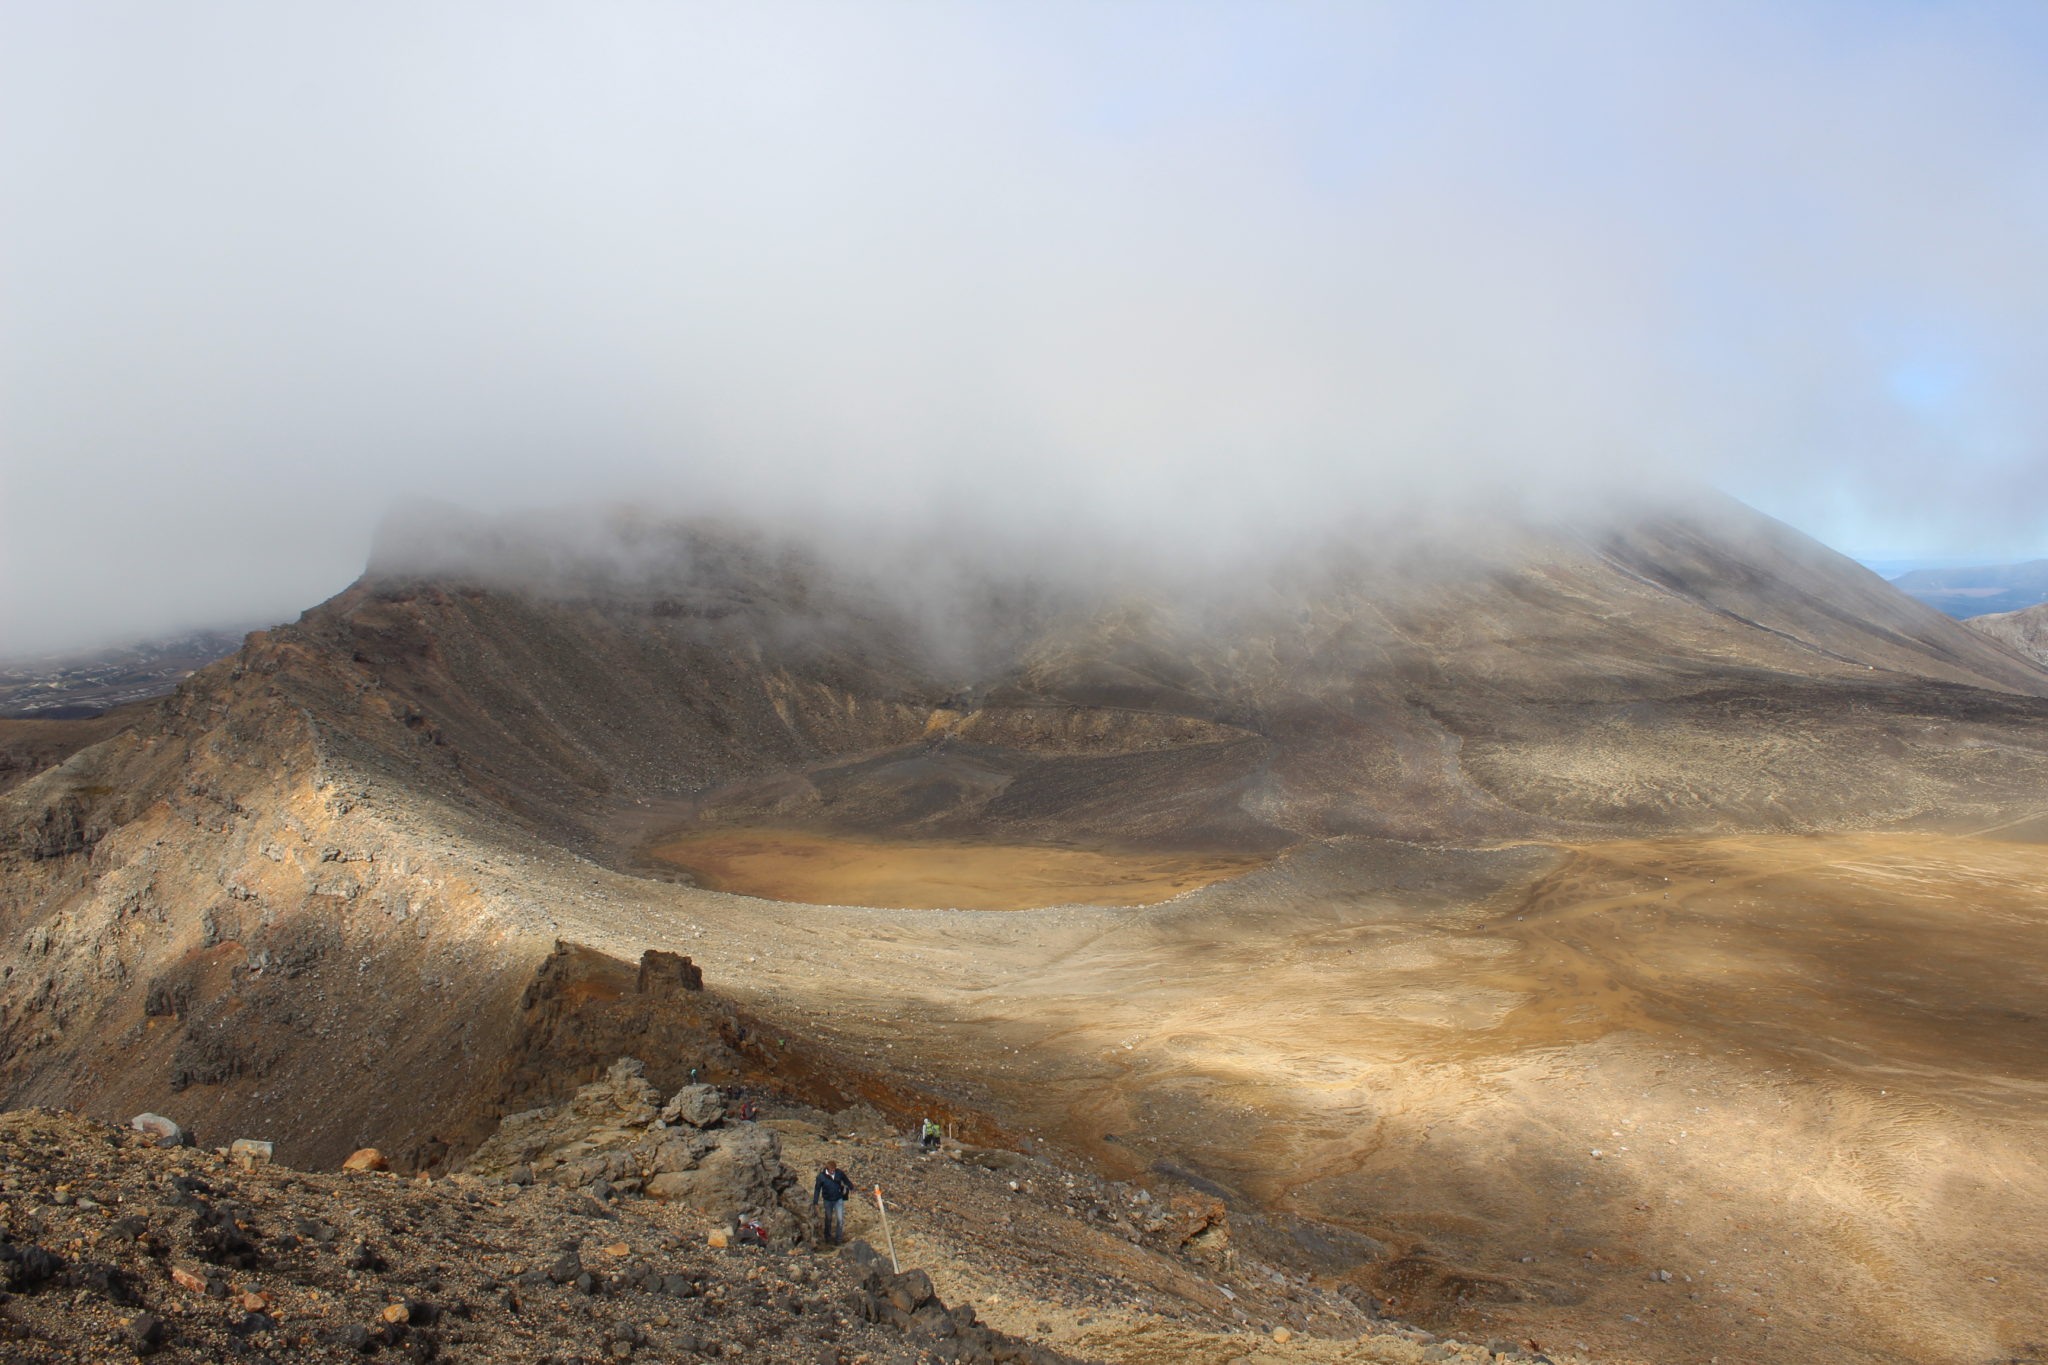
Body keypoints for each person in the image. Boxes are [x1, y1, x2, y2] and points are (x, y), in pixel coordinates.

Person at [812, 1160, 854, 1243]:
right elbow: (817, 1189)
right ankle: (827, 1237)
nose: (832, 1172)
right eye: (831, 1170)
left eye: (834, 1170)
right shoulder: (821, 1177)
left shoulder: (839, 1173)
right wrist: (815, 1202)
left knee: (840, 1219)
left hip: (838, 1199)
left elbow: (847, 1181)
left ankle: (838, 1239)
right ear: (827, 1169)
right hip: (827, 1200)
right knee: (828, 1218)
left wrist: (851, 1187)